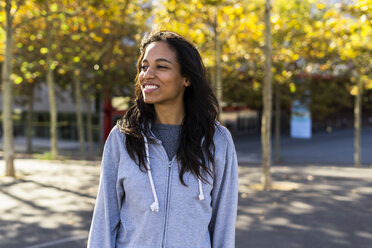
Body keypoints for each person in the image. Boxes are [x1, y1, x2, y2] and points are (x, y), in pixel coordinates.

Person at [87, 30, 238, 248]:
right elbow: (104, 220)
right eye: (144, 66)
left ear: (186, 78)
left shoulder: (217, 141)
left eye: (161, 66)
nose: (147, 74)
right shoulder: (123, 138)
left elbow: (223, 228)